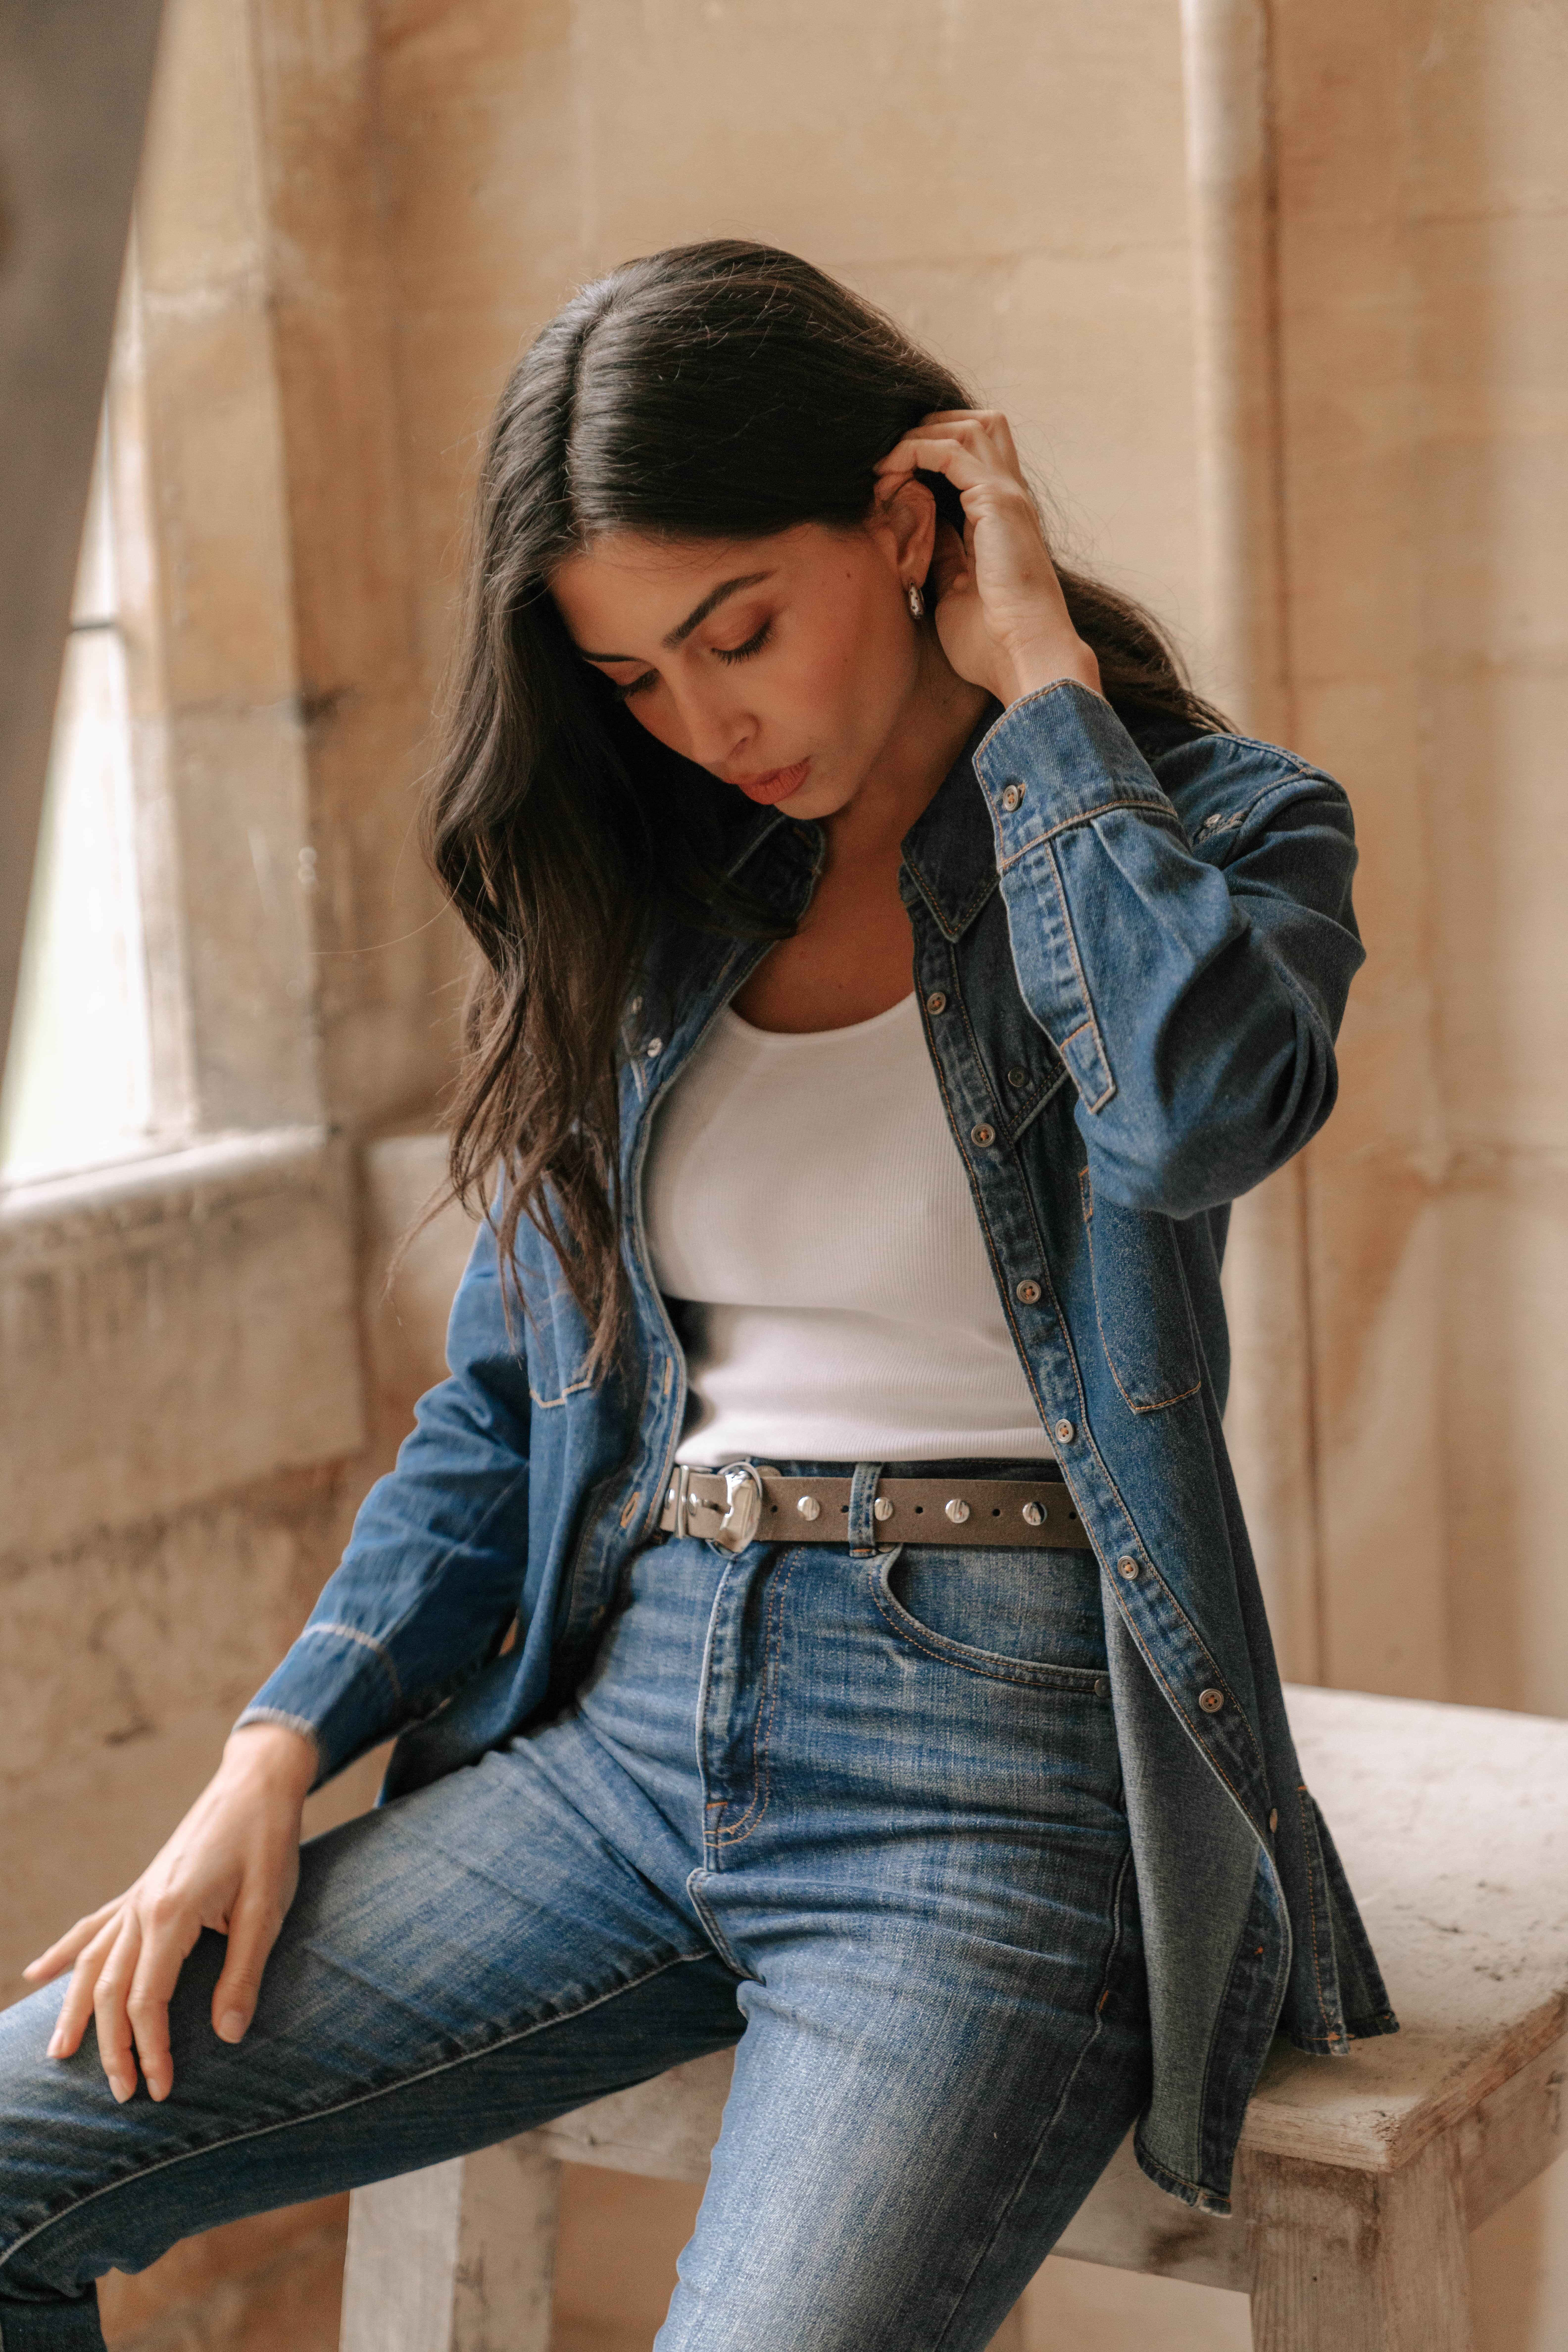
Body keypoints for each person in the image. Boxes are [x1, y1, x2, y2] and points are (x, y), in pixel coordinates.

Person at [0, 241, 1395, 2352]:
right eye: (637, 679)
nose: (705, 720)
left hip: (992, 1769)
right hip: (626, 1725)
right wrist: (269, 1753)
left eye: (736, 631)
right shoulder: (650, 901)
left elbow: (1201, 1108)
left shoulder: (1207, 832)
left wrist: (1040, 687)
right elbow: (505, 1403)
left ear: (905, 523)